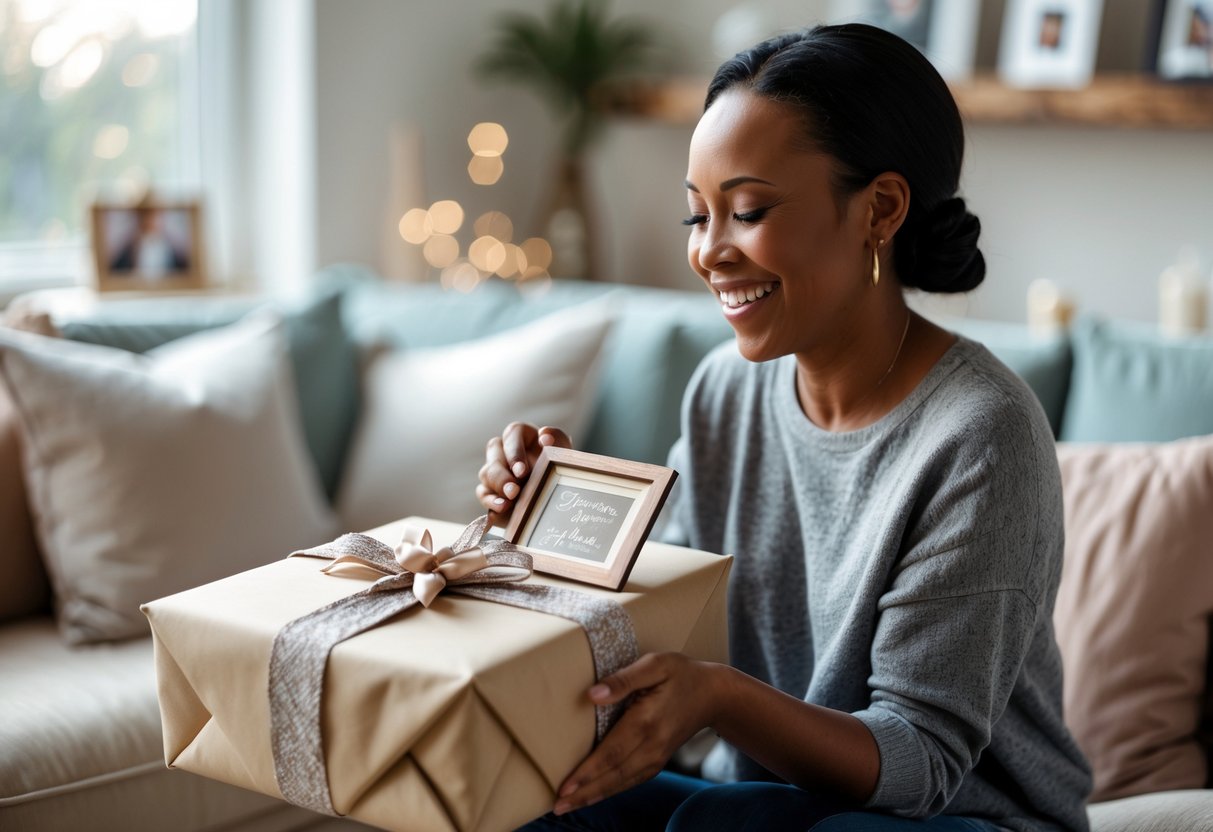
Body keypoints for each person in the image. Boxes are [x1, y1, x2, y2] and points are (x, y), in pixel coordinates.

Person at [478, 23, 1092, 832]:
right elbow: (663, 621)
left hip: (960, 818)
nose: (709, 253)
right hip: (758, 803)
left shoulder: (981, 433)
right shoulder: (723, 392)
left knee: (724, 826)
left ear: (879, 209)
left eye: (747, 210)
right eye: (696, 217)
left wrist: (720, 697)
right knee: (516, 800)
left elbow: (919, 762)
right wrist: (533, 519)